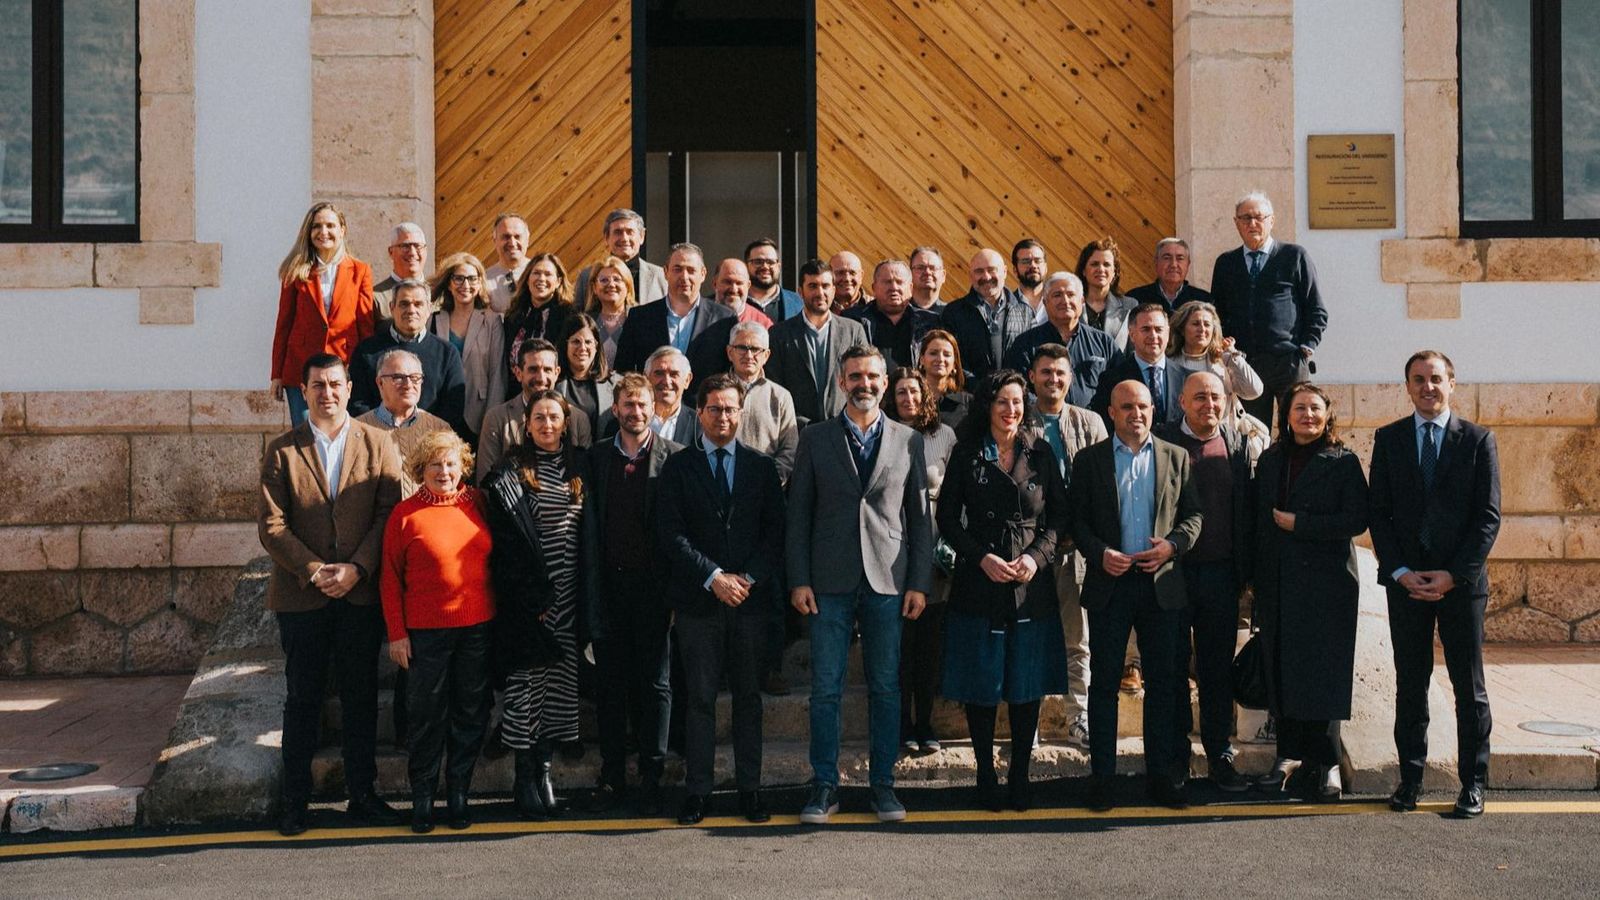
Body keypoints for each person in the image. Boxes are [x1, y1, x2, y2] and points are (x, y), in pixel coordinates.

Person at [259, 352, 402, 836]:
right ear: (304, 391)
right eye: (317, 384)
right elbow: (272, 526)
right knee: (303, 699)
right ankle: (295, 801)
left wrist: (358, 568)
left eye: (335, 383)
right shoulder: (282, 450)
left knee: (360, 699)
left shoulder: (379, 443)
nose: (327, 392)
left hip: (359, 596)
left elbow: (388, 514)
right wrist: (317, 570)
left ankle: (363, 794)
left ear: (349, 386)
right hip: (303, 598)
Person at [789, 346, 932, 824]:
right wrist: (799, 578)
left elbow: (920, 518)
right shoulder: (815, 437)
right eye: (855, 376)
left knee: (887, 687)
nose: (864, 384)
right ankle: (824, 786)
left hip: (888, 578)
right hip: (827, 579)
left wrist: (919, 583)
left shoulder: (909, 439)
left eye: (873, 377)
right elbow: (798, 516)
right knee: (825, 688)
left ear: (884, 383)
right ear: (841, 381)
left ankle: (883, 787)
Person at [1369, 351, 1500, 819]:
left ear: (1452, 383)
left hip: (1461, 584)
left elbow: (1487, 518)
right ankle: (1411, 778)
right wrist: (1400, 570)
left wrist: (1453, 574)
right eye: (1419, 379)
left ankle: (1474, 782)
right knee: (1411, 684)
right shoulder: (1388, 439)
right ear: (1407, 386)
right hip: (1407, 583)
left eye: (1436, 379)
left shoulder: (1478, 441)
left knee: (1469, 686)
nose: (1428, 387)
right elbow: (1379, 514)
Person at [656, 374, 787, 825]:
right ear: (700, 413)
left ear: (741, 412)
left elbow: (776, 532)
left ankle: (750, 790)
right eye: (715, 409)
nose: (724, 417)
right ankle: (698, 792)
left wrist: (746, 578)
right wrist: (713, 577)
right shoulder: (677, 467)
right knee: (700, 700)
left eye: (731, 409)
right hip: (699, 604)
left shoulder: (761, 466)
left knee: (749, 698)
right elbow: (670, 533)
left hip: (750, 603)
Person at [938, 370, 1069, 811]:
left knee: (1025, 682)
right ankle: (984, 771)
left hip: (1030, 584)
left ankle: (1020, 774)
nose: (1011, 410)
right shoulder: (967, 452)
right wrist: (981, 558)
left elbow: (1057, 521)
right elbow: (948, 520)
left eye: (1017, 402)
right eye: (1001, 402)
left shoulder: (1042, 452)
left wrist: (1034, 558)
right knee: (982, 681)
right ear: (987, 407)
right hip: (981, 580)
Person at [1069, 379, 1202, 812]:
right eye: (1126, 407)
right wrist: (1099, 552)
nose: (1136, 414)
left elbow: (1194, 515)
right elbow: (1077, 520)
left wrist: (1173, 546)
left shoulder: (1175, 457)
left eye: (1143, 406)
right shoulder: (1089, 461)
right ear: (1111, 412)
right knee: (1104, 684)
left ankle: (1161, 777)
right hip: (1112, 582)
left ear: (1153, 408)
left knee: (1163, 684)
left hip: (1159, 583)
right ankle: (1102, 779)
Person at [1251, 382, 1367, 802]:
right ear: (1287, 416)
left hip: (1328, 583)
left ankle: (1327, 764)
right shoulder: (1270, 460)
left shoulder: (1343, 461)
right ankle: (1288, 756)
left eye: (1315, 409)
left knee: (1324, 674)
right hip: (1279, 582)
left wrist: (1301, 524)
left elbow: (1355, 518)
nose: (1307, 416)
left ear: (1327, 414)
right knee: (1284, 670)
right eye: (1299, 408)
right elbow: (1258, 520)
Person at [480, 389, 591, 820]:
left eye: (555, 417)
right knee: (526, 686)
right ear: (527, 424)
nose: (547, 425)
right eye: (539, 418)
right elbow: (505, 545)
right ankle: (523, 778)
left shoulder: (581, 465)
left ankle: (545, 771)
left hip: (569, 595)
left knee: (560, 686)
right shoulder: (509, 472)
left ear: (566, 422)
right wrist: (530, 596)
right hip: (529, 599)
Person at [380, 431, 495, 832]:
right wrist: (397, 633)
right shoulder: (404, 515)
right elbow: (390, 580)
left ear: (462, 465)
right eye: (434, 465)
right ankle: (423, 796)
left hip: (477, 627)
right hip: (425, 632)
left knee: (470, 711)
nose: (443, 472)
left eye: (450, 464)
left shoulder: (478, 503)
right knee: (425, 716)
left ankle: (459, 792)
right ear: (421, 470)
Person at [582, 373, 679, 816]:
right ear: (616, 408)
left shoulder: (673, 459)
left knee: (655, 683)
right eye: (628, 404)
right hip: (609, 586)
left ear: (654, 408)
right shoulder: (597, 458)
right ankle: (613, 770)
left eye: (643, 404)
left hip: (654, 589)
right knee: (611, 683)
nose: (635, 412)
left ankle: (652, 772)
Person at [1154, 372, 1254, 792]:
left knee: (1216, 672)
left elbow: (1246, 510)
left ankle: (1219, 757)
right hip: (1172, 574)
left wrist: (1246, 575)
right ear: (1181, 402)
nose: (1208, 405)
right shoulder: (1160, 441)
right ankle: (1177, 760)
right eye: (1199, 398)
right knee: (1173, 669)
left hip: (1221, 575)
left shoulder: (1237, 443)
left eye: (1215, 397)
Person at [1026, 343, 1108, 750]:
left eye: (1060, 373)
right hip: (1030, 550)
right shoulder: (1018, 421)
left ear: (1070, 378)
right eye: (1045, 373)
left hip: (1076, 548)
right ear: (1032, 377)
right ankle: (1032, 725)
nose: (1053, 380)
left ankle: (1080, 719)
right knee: (1034, 638)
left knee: (1077, 640)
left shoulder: (1090, 422)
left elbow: (1102, 484)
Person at [884, 367, 958, 756]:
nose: (908, 399)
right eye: (900, 393)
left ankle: (925, 723)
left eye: (913, 392)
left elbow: (956, 493)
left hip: (933, 548)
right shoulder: (882, 434)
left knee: (929, 645)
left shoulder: (943, 435)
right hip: (893, 548)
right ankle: (900, 724)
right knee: (899, 646)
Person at [1208, 191, 1327, 430]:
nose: (1252, 223)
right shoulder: (1226, 264)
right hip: (1245, 365)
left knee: (1297, 430)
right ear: (1236, 223)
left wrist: (1306, 347)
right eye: (1245, 218)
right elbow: (1216, 314)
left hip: (1288, 363)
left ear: (1271, 221)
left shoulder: (1294, 256)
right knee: (1251, 433)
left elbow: (1316, 309)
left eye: (1259, 217)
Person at [270, 202, 375, 427]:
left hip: (343, 368)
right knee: (306, 435)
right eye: (317, 226)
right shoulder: (295, 271)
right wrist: (276, 374)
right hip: (301, 368)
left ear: (342, 230)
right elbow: (284, 324)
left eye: (330, 225)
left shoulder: (360, 271)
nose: (323, 232)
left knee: (341, 436)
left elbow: (365, 326)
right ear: (308, 232)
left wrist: (367, 372)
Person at [349, 280, 467, 433]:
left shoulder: (447, 353)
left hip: (430, 443)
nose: (411, 310)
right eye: (404, 304)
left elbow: (453, 406)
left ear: (429, 309)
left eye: (418, 304)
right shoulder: (367, 351)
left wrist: (425, 437)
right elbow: (358, 403)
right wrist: (384, 435)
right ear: (392, 308)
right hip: (378, 442)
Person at [767, 259, 869, 427]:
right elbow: (775, 387)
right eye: (813, 286)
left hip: (844, 429)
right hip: (797, 431)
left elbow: (863, 379)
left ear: (834, 290)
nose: (820, 292)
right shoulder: (779, 334)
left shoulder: (853, 331)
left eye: (825, 286)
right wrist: (801, 423)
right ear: (800, 292)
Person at [477, 338, 591, 481]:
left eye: (547, 370)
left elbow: (586, 481)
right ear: (518, 373)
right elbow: (486, 482)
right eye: (533, 369)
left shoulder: (577, 419)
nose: (541, 378)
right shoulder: (497, 419)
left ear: (557, 373)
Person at [613, 242, 734, 376]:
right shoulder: (640, 317)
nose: (684, 277)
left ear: (703, 274)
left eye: (691, 270)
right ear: (665, 272)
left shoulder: (725, 319)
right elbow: (623, 370)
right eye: (677, 269)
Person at [1003, 271, 1118, 409]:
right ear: (1045, 303)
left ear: (1082, 301)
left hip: (1094, 426)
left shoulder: (1104, 342)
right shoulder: (1025, 343)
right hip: (1041, 424)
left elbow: (1118, 386)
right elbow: (1018, 389)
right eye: (1057, 295)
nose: (1065, 301)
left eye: (1071, 295)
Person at [1167, 300, 1267, 455]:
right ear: (1182, 329)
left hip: (1222, 441)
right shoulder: (1169, 363)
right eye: (1195, 324)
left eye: (1207, 324)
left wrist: (1232, 356)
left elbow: (1254, 391)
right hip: (1180, 443)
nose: (1202, 329)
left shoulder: (1224, 362)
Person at [429, 252, 507, 440]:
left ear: (480, 283)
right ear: (449, 283)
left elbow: (497, 374)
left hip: (478, 414)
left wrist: (491, 421)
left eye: (472, 279)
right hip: (440, 411)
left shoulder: (492, 321)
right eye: (459, 278)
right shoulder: (433, 321)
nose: (465, 285)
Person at [356, 349, 453, 498]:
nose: (408, 384)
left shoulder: (440, 429)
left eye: (415, 378)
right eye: (398, 377)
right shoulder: (357, 430)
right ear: (380, 382)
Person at [939, 248, 1036, 383]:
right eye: (979, 271)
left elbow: (1031, 358)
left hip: (1014, 398)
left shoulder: (1025, 312)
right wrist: (981, 389)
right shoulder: (954, 312)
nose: (986, 277)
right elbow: (952, 359)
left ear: (1005, 272)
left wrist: (1015, 389)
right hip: (972, 398)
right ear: (971, 276)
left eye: (991, 270)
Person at [726, 321, 799, 482]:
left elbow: (790, 450)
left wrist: (769, 482)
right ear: (730, 352)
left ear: (766, 356)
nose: (749, 355)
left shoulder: (780, 396)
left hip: (767, 490)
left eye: (755, 349)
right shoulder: (714, 391)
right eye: (742, 348)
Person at [1091, 303, 1185, 428]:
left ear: (1168, 334)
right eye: (1146, 329)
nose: (1153, 335)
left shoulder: (1186, 378)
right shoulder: (1111, 380)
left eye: (1158, 329)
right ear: (1132, 334)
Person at [502, 252, 574, 396]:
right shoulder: (514, 315)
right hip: (515, 396)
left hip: (554, 396)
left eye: (548, 274)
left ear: (558, 282)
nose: (541, 278)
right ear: (528, 279)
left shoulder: (569, 316)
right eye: (536, 273)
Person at [847, 259, 940, 371]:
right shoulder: (852, 320)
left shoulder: (930, 323)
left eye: (899, 282)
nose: (894, 288)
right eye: (887, 282)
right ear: (874, 288)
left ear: (910, 289)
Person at [573, 208, 667, 307]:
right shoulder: (587, 277)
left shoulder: (661, 277)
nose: (624, 238)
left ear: (642, 236)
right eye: (618, 232)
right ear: (606, 238)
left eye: (630, 232)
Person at [555, 313, 619, 439]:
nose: (582, 348)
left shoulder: (615, 383)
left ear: (596, 346)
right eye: (576, 342)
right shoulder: (554, 382)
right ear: (565, 345)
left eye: (588, 342)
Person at [1075, 237, 1137, 351]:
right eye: (1094, 264)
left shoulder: (1130, 306)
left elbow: (1134, 351)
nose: (1101, 269)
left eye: (1107, 264)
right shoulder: (1071, 305)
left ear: (1114, 272)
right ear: (1083, 270)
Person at [1127, 238, 1213, 312]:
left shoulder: (1203, 301)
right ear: (1156, 263)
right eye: (1167, 258)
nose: (1173, 264)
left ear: (1188, 264)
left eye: (1180, 258)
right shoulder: (1135, 299)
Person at [583, 254, 637, 372]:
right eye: (604, 280)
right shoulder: (585, 322)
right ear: (594, 288)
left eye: (617, 279)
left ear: (628, 286)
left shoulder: (641, 319)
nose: (611, 285)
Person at [644, 347, 701, 446]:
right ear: (646, 378)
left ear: (687, 380)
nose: (666, 381)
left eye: (674, 374)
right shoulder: (627, 420)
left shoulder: (700, 426)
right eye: (659, 373)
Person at [373, 222, 428, 324]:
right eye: (405, 246)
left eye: (417, 246)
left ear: (426, 251)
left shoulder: (439, 294)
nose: (412, 252)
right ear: (390, 252)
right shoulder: (376, 298)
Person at [918, 328, 972, 429]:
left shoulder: (968, 403)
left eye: (947, 355)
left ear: (955, 363)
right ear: (922, 359)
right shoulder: (911, 399)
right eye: (933, 353)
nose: (940, 359)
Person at [744, 238, 803, 322]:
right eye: (758, 262)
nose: (765, 266)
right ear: (746, 266)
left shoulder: (798, 303)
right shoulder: (735, 302)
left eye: (770, 262)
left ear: (778, 267)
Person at [483, 213, 530, 314]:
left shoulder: (542, 274)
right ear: (495, 241)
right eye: (506, 237)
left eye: (517, 237)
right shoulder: (484, 280)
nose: (512, 243)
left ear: (527, 240)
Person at [711, 258, 773, 327]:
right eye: (727, 282)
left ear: (748, 286)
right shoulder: (701, 317)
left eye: (739, 283)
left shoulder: (762, 323)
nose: (733, 289)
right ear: (715, 283)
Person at [1011, 238, 1049, 322]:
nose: (1033, 265)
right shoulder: (1006, 306)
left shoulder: (1060, 303)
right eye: (1025, 261)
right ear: (1015, 270)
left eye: (1038, 261)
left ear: (1046, 268)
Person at [908, 246, 948, 311]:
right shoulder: (895, 314)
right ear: (909, 274)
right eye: (920, 268)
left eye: (932, 268)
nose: (927, 272)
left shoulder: (953, 316)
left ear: (943, 276)